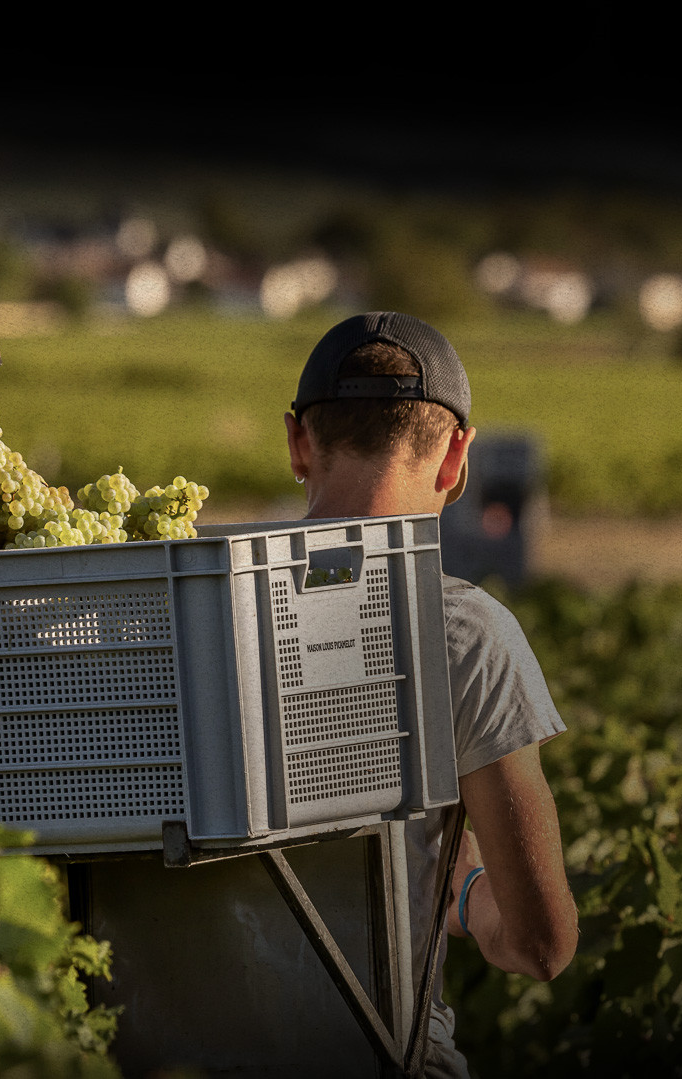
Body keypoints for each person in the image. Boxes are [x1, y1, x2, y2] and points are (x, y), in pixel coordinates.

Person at [285, 311, 578, 1076]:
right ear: (456, 460)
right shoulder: (468, 636)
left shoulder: (183, 614)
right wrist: (467, 888)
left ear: (296, 444)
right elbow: (542, 944)